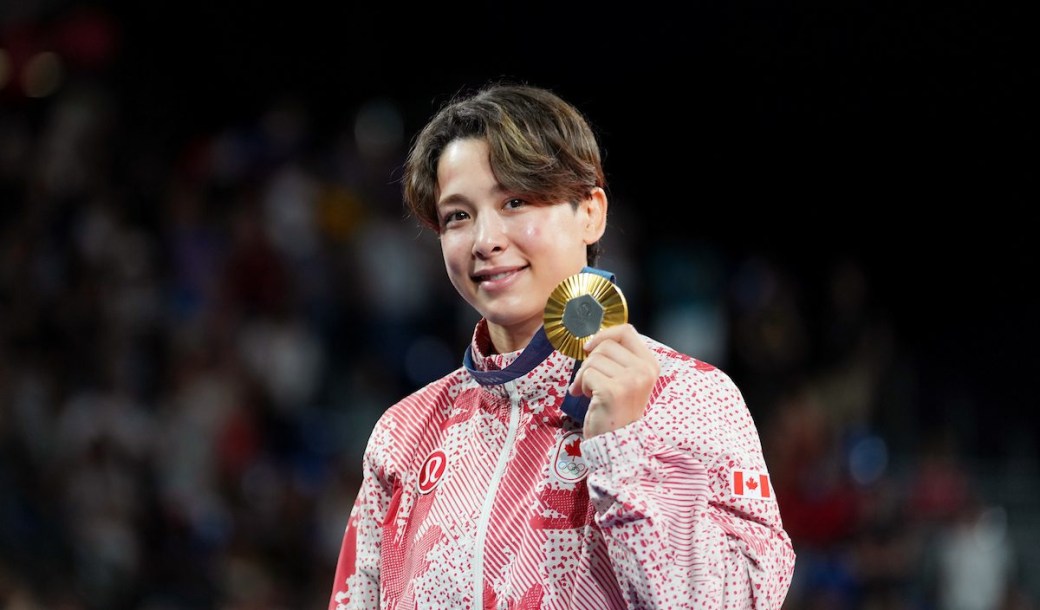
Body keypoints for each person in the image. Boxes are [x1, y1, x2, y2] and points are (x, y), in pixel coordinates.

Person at [328, 81, 796, 609]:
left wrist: (623, 450)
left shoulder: (691, 398)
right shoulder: (405, 434)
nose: (485, 240)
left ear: (591, 212)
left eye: (515, 201)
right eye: (458, 215)